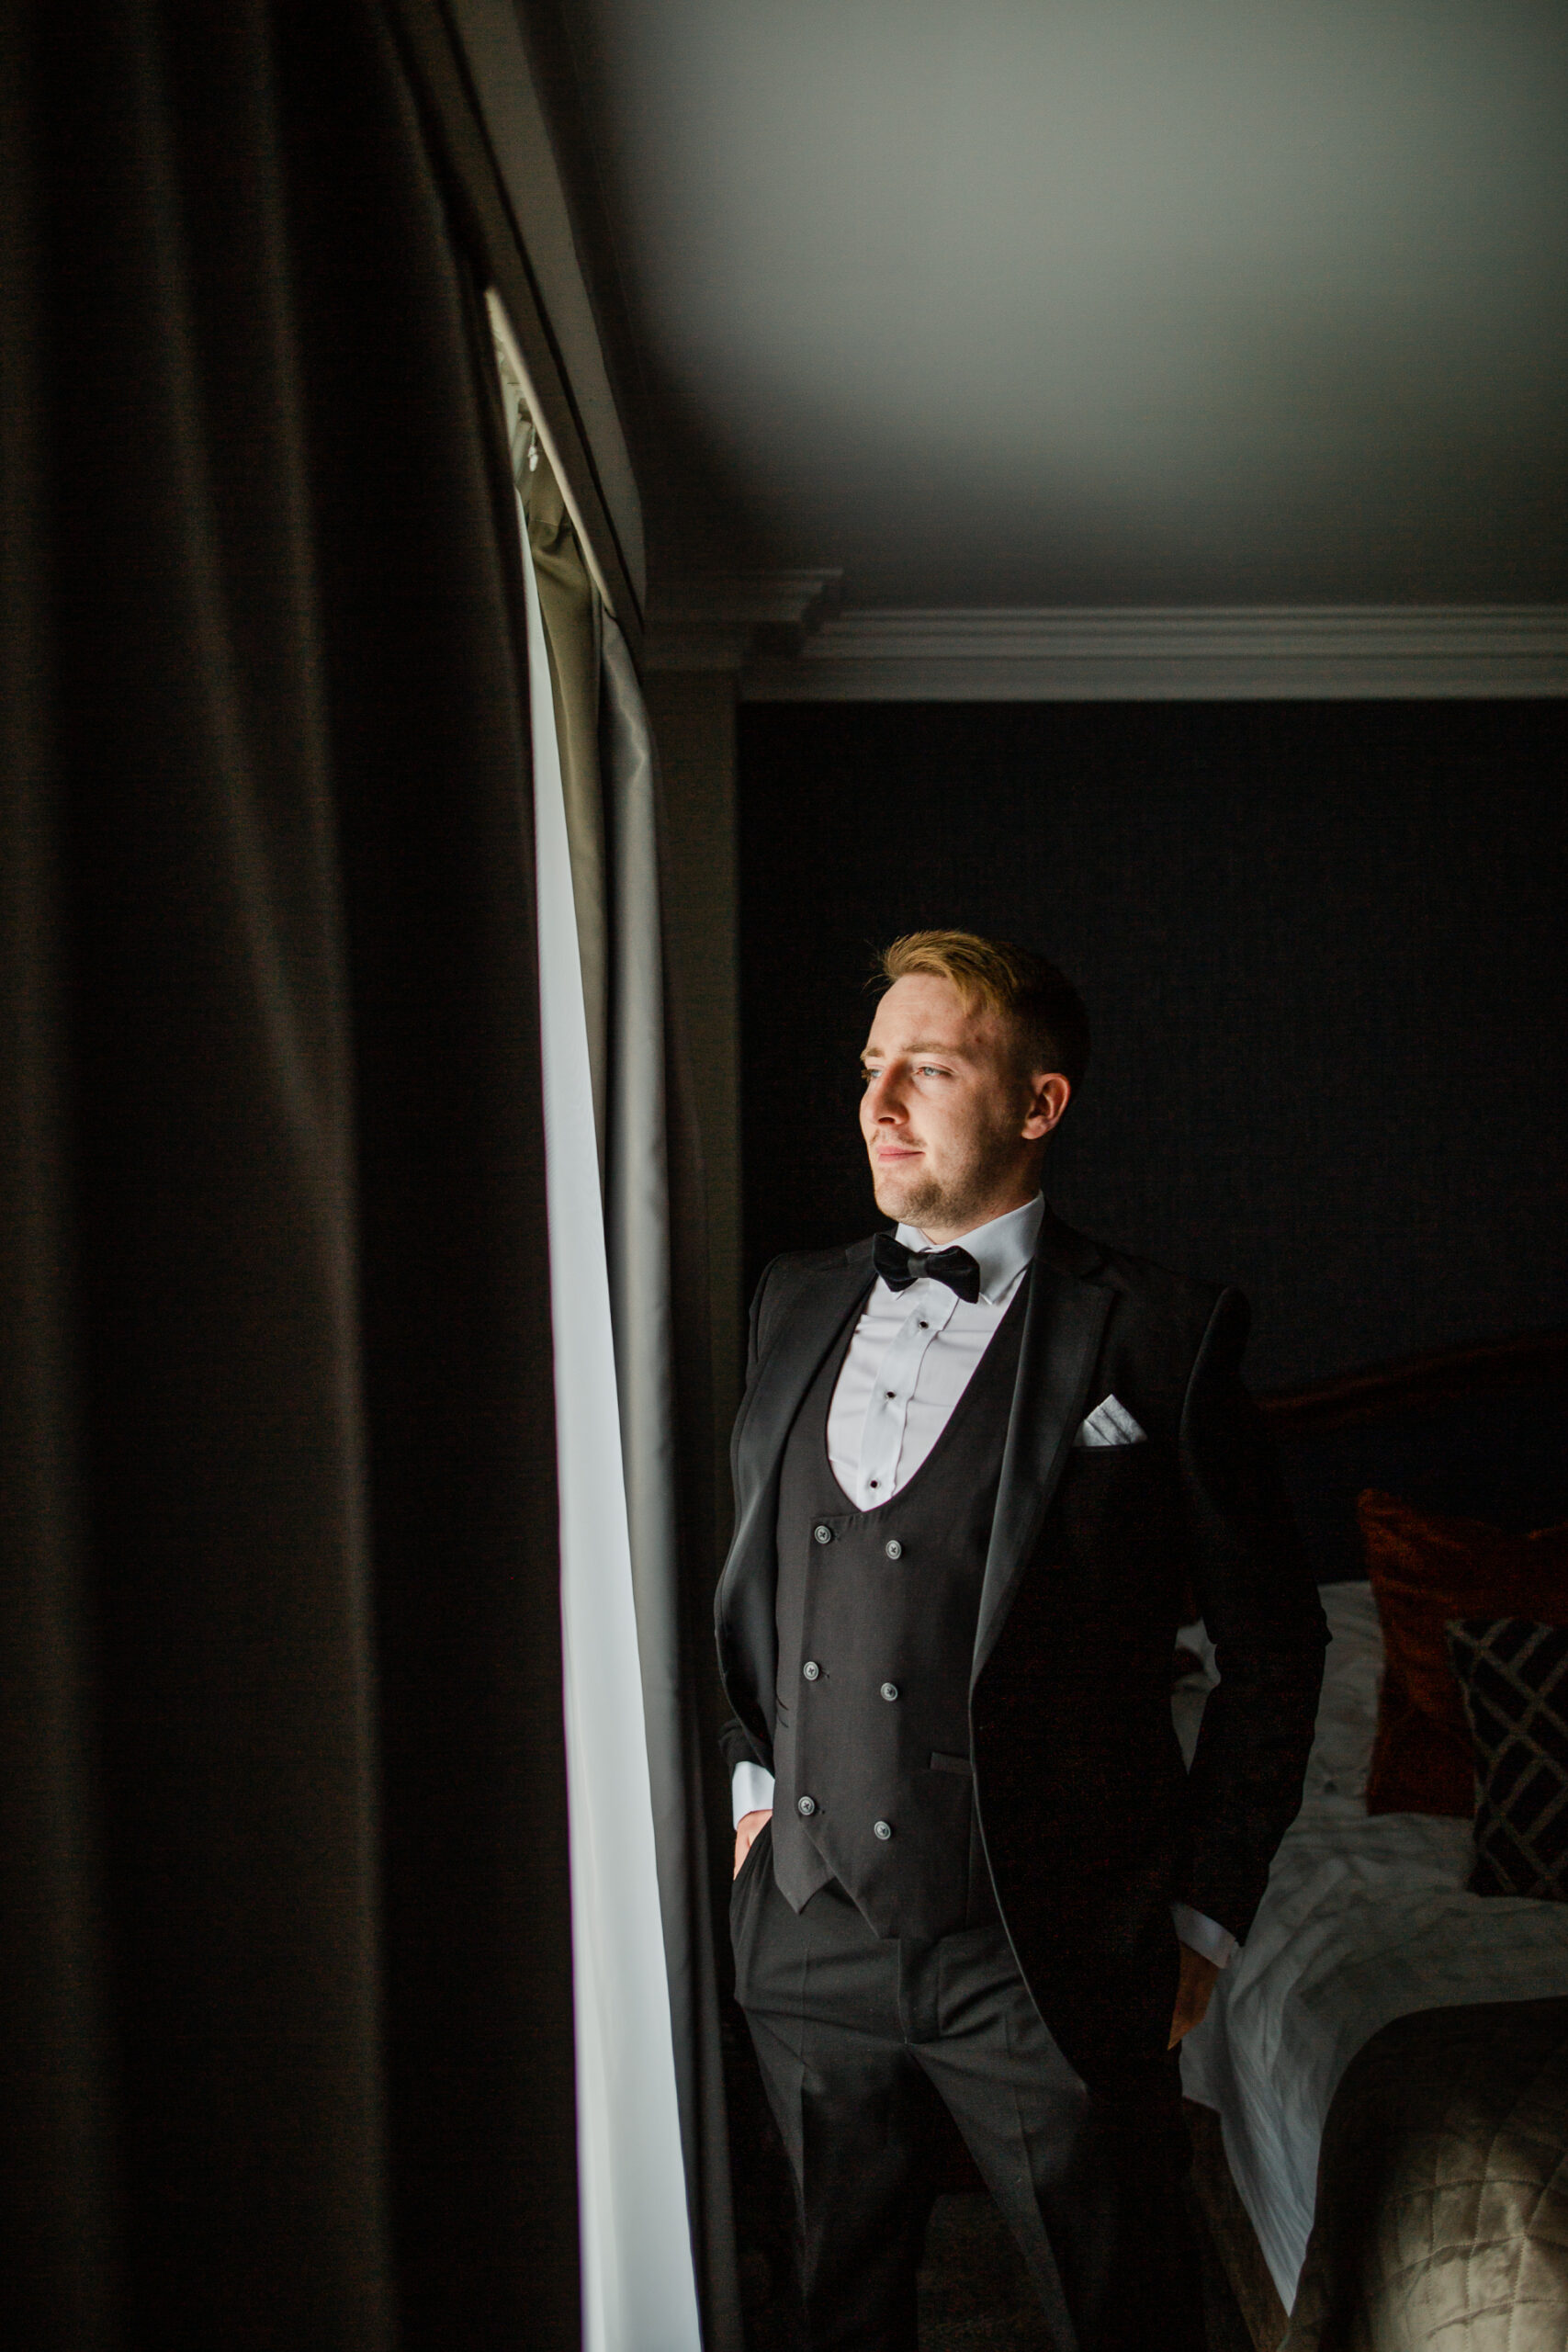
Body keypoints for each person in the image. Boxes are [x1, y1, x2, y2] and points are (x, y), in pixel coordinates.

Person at [716, 930, 1327, 2352]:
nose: (877, 1106)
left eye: (926, 1068)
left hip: (1047, 1949)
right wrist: (753, 1790)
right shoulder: (792, 1302)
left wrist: (1205, 1913)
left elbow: (1276, 1653)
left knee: (1122, 2311)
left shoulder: (1161, 1336)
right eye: (873, 1069)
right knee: (828, 2309)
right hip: (804, 1933)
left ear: (1038, 1105)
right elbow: (748, 1579)